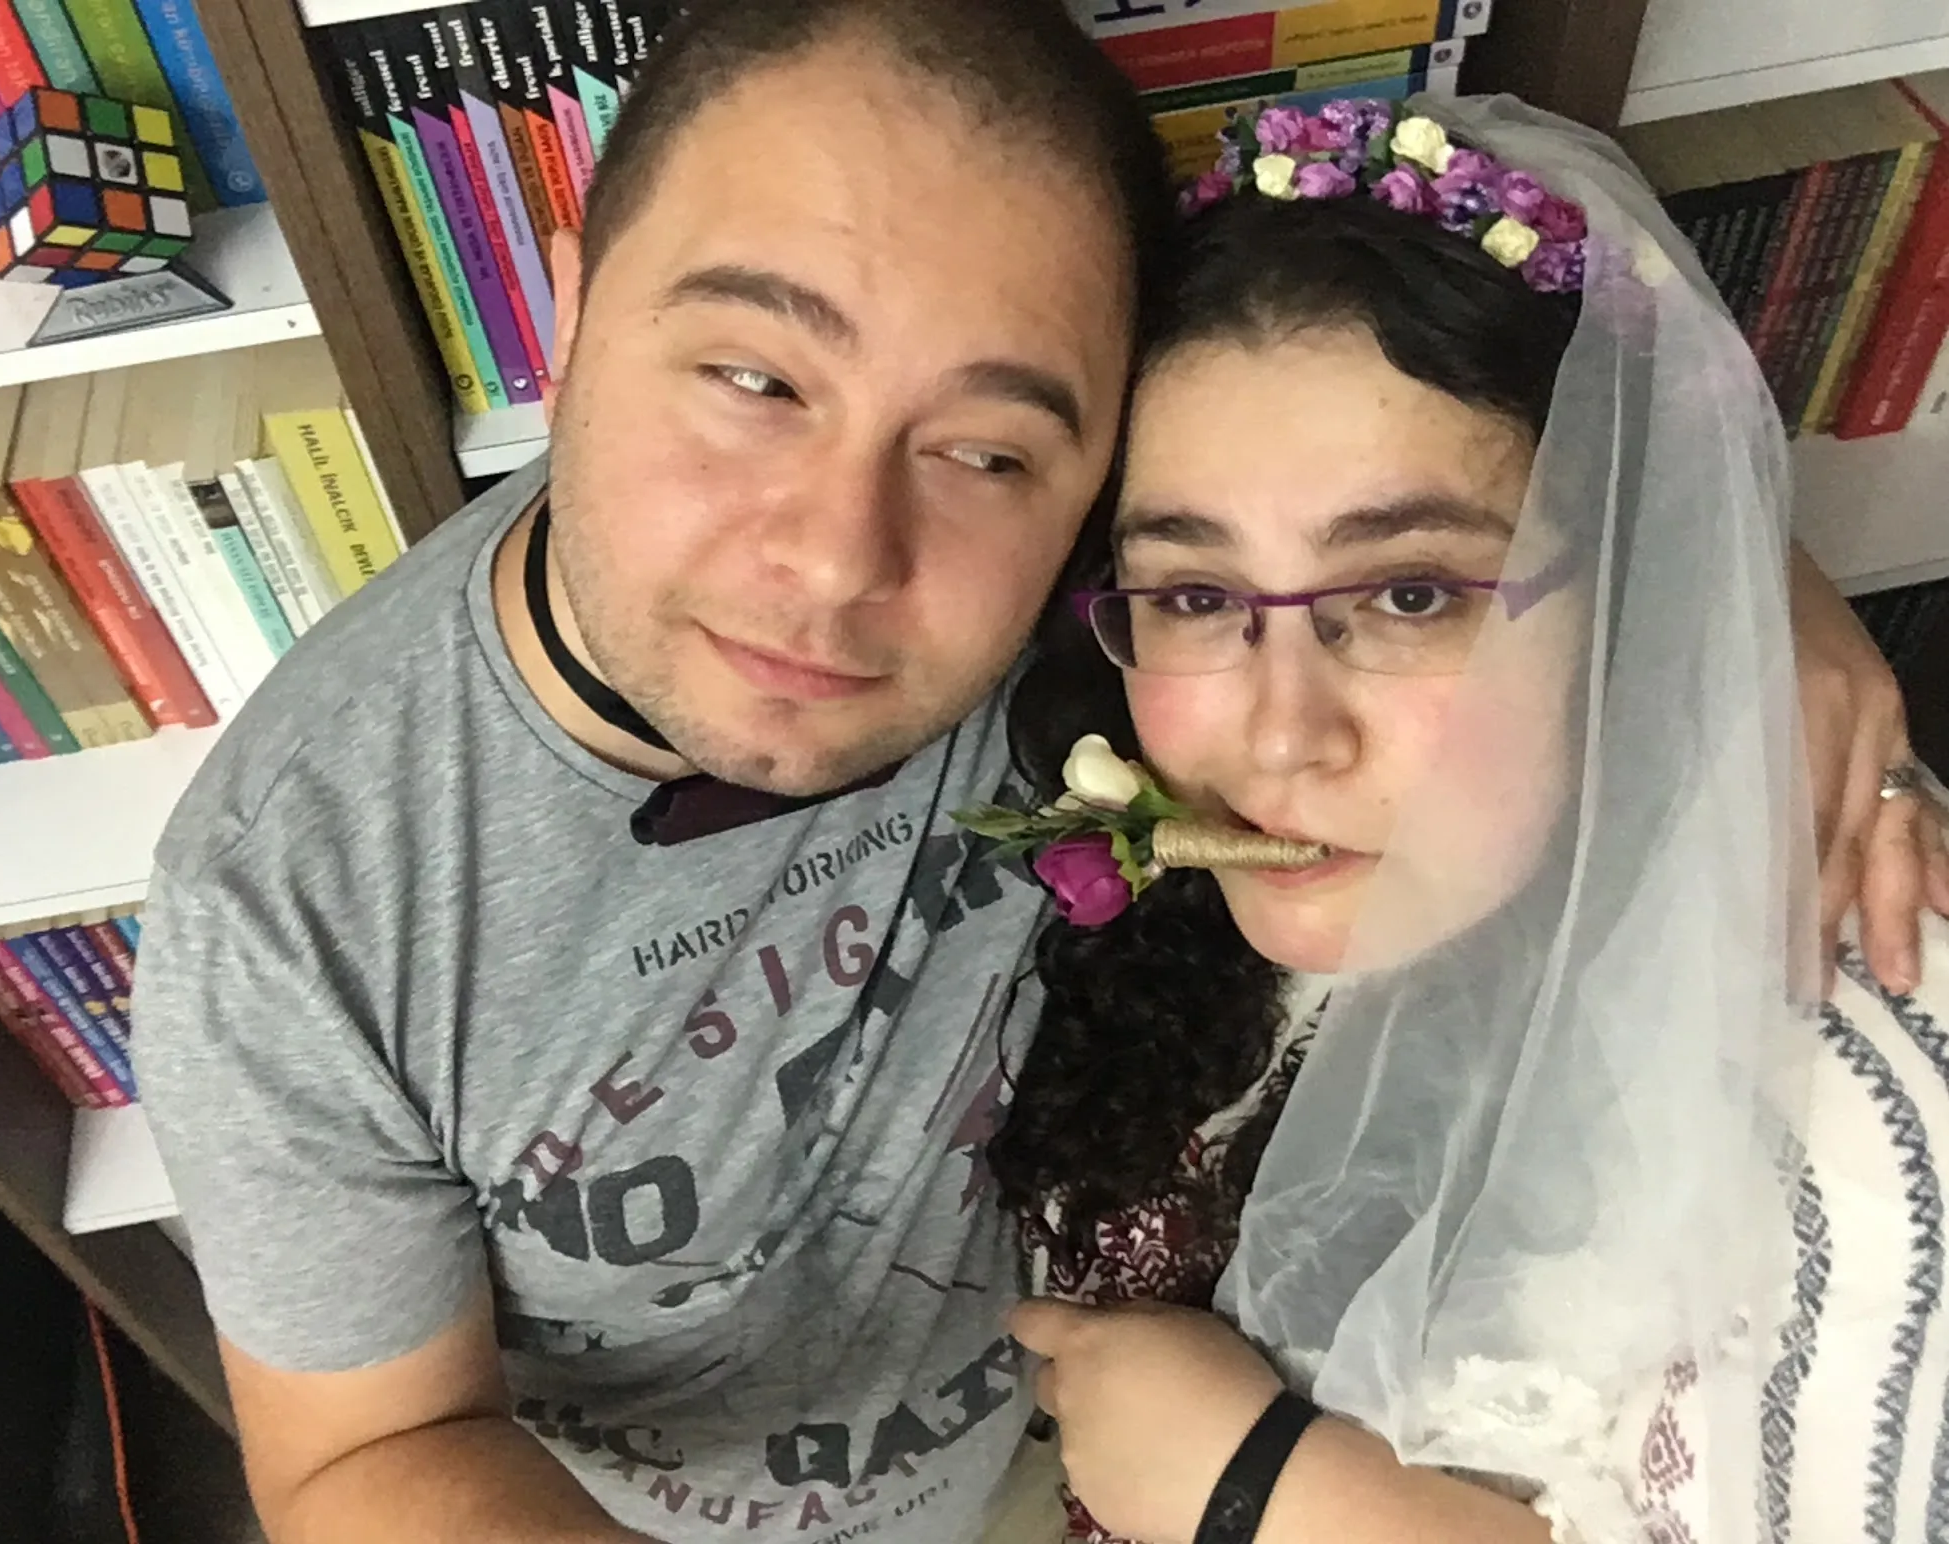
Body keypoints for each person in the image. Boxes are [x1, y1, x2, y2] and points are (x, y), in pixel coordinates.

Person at [128, 0, 1939, 1536]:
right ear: (567, 307)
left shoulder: (1126, 635)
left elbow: (1395, 400)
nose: (838, 561)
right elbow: (372, 1459)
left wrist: (1718, 590)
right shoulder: (295, 906)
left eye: (987, 449)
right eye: (754, 379)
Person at [987, 96, 1949, 1544]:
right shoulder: (1159, 857)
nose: (1281, 735)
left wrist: (1272, 1497)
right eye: (1192, 595)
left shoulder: (1853, 1136)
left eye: (1412, 594)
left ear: (1638, 583)